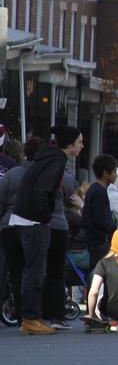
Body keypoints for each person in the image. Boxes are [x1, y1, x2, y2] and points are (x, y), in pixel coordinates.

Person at [11, 126, 84, 336]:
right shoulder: (57, 160)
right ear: (70, 144)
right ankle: (31, 318)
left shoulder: (47, 157)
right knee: (34, 271)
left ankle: (31, 316)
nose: (82, 146)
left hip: (25, 217)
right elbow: (42, 189)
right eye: (79, 141)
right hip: (34, 220)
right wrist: (44, 217)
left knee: (31, 270)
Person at [0, 136, 42, 327]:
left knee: (14, 271)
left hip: (8, 224)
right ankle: (31, 313)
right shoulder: (43, 173)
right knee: (33, 269)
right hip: (32, 224)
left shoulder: (12, 174)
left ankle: (18, 312)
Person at [43, 156, 79, 329]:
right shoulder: (62, 176)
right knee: (57, 272)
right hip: (57, 226)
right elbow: (71, 188)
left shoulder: (32, 172)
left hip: (36, 224)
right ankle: (57, 315)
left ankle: (33, 313)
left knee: (37, 270)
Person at [86, 227, 118, 326]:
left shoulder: (104, 263)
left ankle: (96, 318)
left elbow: (94, 291)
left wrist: (91, 315)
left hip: (108, 311)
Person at [81, 154, 118, 273]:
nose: (116, 175)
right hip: (98, 242)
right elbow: (101, 219)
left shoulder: (93, 189)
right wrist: (113, 228)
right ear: (105, 173)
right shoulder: (100, 192)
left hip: (92, 240)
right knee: (99, 273)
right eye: (114, 172)